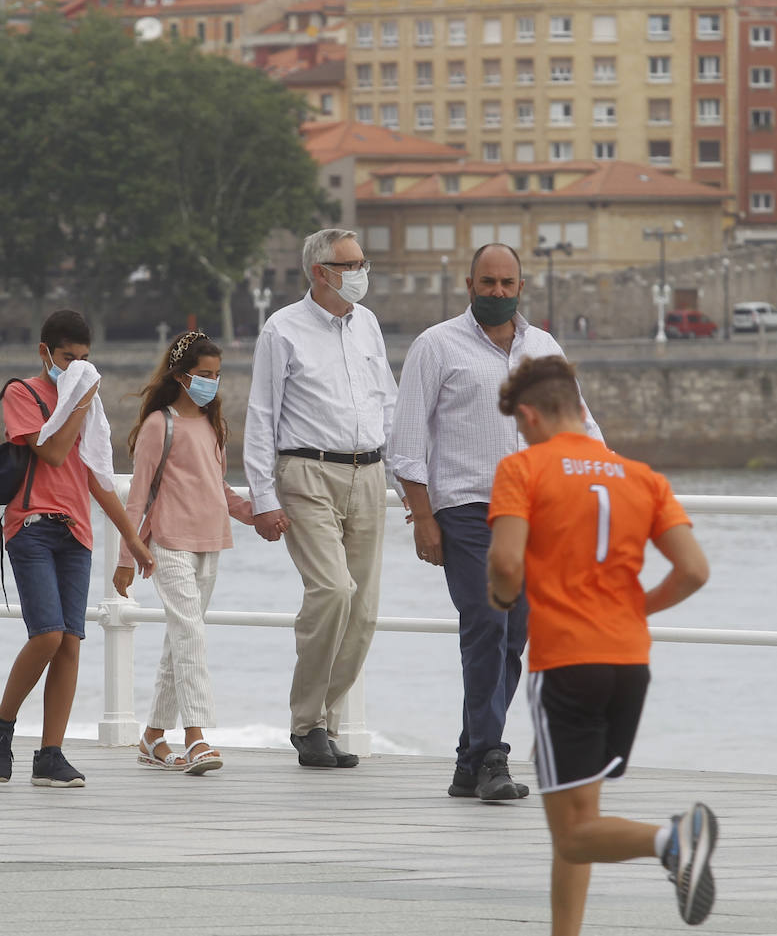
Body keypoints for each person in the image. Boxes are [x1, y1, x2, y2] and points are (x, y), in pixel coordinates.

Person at [487, 355, 716, 933]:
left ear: (532, 415)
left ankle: (673, 839)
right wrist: (636, 608)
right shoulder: (642, 477)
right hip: (629, 664)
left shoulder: (524, 469)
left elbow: (507, 560)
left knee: (571, 831)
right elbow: (693, 571)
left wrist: (501, 597)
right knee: (581, 820)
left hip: (566, 661)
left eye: (519, 423)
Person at [391, 242, 602, 801]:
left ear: (521, 287)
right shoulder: (436, 347)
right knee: (485, 621)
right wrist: (422, 518)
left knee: (513, 634)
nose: (499, 293)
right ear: (469, 285)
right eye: (489, 283)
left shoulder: (544, 348)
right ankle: (491, 758)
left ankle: (470, 759)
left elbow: (579, 427)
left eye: (508, 284)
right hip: (465, 509)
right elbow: (406, 444)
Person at [243, 227, 400, 769]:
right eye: (350, 263)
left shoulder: (369, 326)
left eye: (363, 261)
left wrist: (408, 483)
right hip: (307, 473)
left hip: (370, 474)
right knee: (332, 590)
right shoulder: (281, 330)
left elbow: (388, 403)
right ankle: (306, 721)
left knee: (364, 610)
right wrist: (263, 496)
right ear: (320, 272)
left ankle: (325, 722)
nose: (361, 271)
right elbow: (262, 415)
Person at [0, 309, 154, 788]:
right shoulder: (25, 394)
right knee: (48, 634)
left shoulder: (86, 410)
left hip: (76, 534)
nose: (76, 367)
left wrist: (134, 539)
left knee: (71, 642)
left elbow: (99, 481)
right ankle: (2, 721)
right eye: (67, 358)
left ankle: (49, 754)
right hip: (31, 526)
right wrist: (79, 401)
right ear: (45, 354)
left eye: (84, 360)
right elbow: (52, 451)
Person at [113, 332, 254, 774]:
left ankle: (153, 736)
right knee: (190, 633)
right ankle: (197, 737)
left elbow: (219, 489)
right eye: (204, 375)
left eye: (217, 375)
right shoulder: (161, 424)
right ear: (179, 375)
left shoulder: (213, 425)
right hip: (168, 544)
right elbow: (136, 497)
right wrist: (124, 556)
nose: (212, 382)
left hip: (210, 542)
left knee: (181, 640)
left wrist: (259, 515)